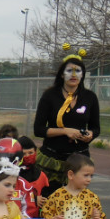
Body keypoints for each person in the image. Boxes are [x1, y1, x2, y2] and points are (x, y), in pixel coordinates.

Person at [33, 53, 100, 197]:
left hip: (79, 157)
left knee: (77, 200)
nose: (74, 75)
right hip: (53, 157)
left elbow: (96, 127)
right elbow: (38, 129)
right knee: (49, 199)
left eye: (78, 71)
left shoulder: (90, 97)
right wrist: (64, 131)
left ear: (83, 75)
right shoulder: (49, 96)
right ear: (62, 74)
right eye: (69, 71)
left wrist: (90, 134)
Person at [17, 136, 49, 218]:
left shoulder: (41, 175)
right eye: (24, 154)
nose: (27, 156)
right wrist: (34, 199)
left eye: (31, 153)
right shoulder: (12, 176)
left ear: (35, 152)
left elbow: (45, 197)